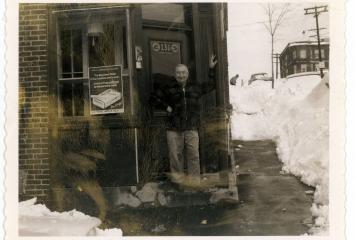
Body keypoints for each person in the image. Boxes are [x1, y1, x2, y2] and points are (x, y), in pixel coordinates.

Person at [150, 55, 218, 187]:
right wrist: (166, 107)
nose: (181, 75)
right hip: (173, 127)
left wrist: (211, 69)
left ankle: (194, 181)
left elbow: (210, 86)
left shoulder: (195, 86)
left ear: (187, 74)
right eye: (178, 73)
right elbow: (153, 98)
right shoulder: (168, 87)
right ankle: (178, 182)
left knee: (193, 155)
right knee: (175, 156)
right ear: (175, 74)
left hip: (191, 127)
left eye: (183, 73)